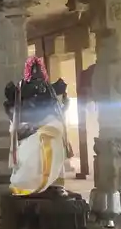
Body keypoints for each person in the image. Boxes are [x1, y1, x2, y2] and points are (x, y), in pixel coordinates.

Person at [4, 56, 72, 195]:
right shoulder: (20, 89)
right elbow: (12, 111)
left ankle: (53, 183)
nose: (36, 74)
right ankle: (29, 184)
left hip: (48, 130)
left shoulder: (49, 90)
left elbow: (59, 109)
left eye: (38, 70)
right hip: (28, 132)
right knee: (30, 158)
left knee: (53, 147)